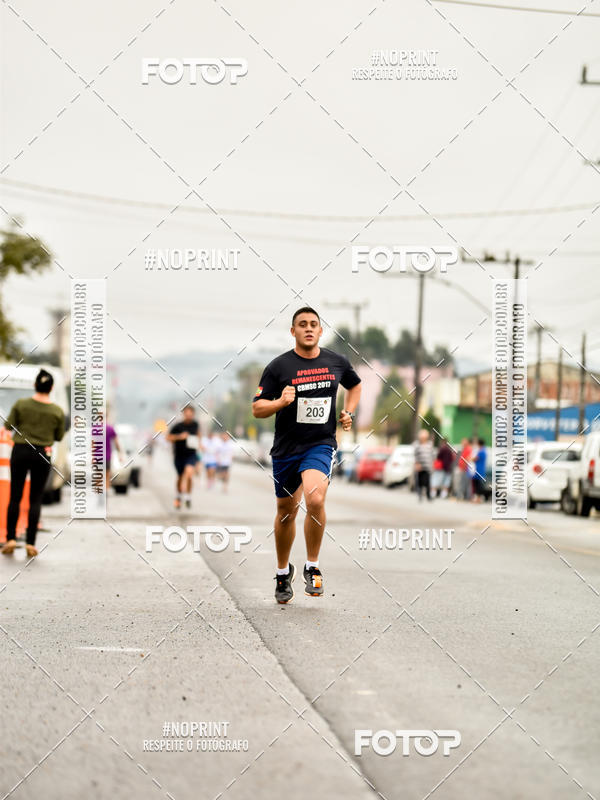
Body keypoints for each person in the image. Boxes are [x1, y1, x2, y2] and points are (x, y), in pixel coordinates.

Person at [252, 306, 361, 604]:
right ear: (293, 331)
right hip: (287, 449)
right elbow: (257, 407)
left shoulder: (336, 362)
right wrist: (279, 402)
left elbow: (355, 385)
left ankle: (312, 566)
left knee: (315, 498)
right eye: (302, 324)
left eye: (314, 324)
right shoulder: (279, 367)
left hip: (320, 444)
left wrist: (348, 412)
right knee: (286, 513)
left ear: (320, 330)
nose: (309, 328)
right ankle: (281, 572)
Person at [1, 369, 65, 557]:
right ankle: (30, 542)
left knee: (15, 496)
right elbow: (59, 436)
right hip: (43, 454)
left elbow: (7, 426)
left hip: (20, 451)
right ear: (51, 388)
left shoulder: (21, 404)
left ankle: (11, 538)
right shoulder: (57, 411)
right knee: (35, 499)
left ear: (35, 385)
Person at [166, 405, 200, 509]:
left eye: (191, 414)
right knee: (180, 477)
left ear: (193, 414)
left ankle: (188, 496)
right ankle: (178, 496)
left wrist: (200, 446)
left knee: (189, 474)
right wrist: (180, 437)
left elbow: (198, 436)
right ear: (184, 414)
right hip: (179, 455)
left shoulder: (196, 425)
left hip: (191, 454)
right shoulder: (178, 426)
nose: (189, 415)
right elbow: (168, 438)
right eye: (187, 413)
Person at [413, 429, 434, 501]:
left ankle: (428, 496)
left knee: (427, 481)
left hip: (427, 466)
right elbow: (416, 455)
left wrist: (432, 465)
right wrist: (417, 464)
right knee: (420, 481)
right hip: (420, 466)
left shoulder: (430, 444)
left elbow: (431, 455)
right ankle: (420, 495)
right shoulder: (417, 444)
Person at [472, 438, 488, 502]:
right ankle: (478, 498)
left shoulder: (481, 451)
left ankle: (478, 499)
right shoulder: (483, 450)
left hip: (479, 470)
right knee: (478, 484)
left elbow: (475, 459)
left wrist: (470, 458)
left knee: (478, 485)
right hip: (480, 469)